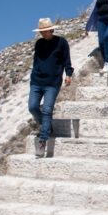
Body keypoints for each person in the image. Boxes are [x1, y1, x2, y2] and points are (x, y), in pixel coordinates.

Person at [29, 18, 73, 158]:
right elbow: (36, 61)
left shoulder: (61, 42)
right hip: (37, 81)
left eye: (45, 31)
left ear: (51, 30)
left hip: (52, 83)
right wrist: (34, 75)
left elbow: (67, 60)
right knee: (33, 107)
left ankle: (42, 141)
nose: (43, 33)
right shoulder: (39, 43)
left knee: (47, 110)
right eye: (41, 31)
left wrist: (68, 74)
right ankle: (46, 126)